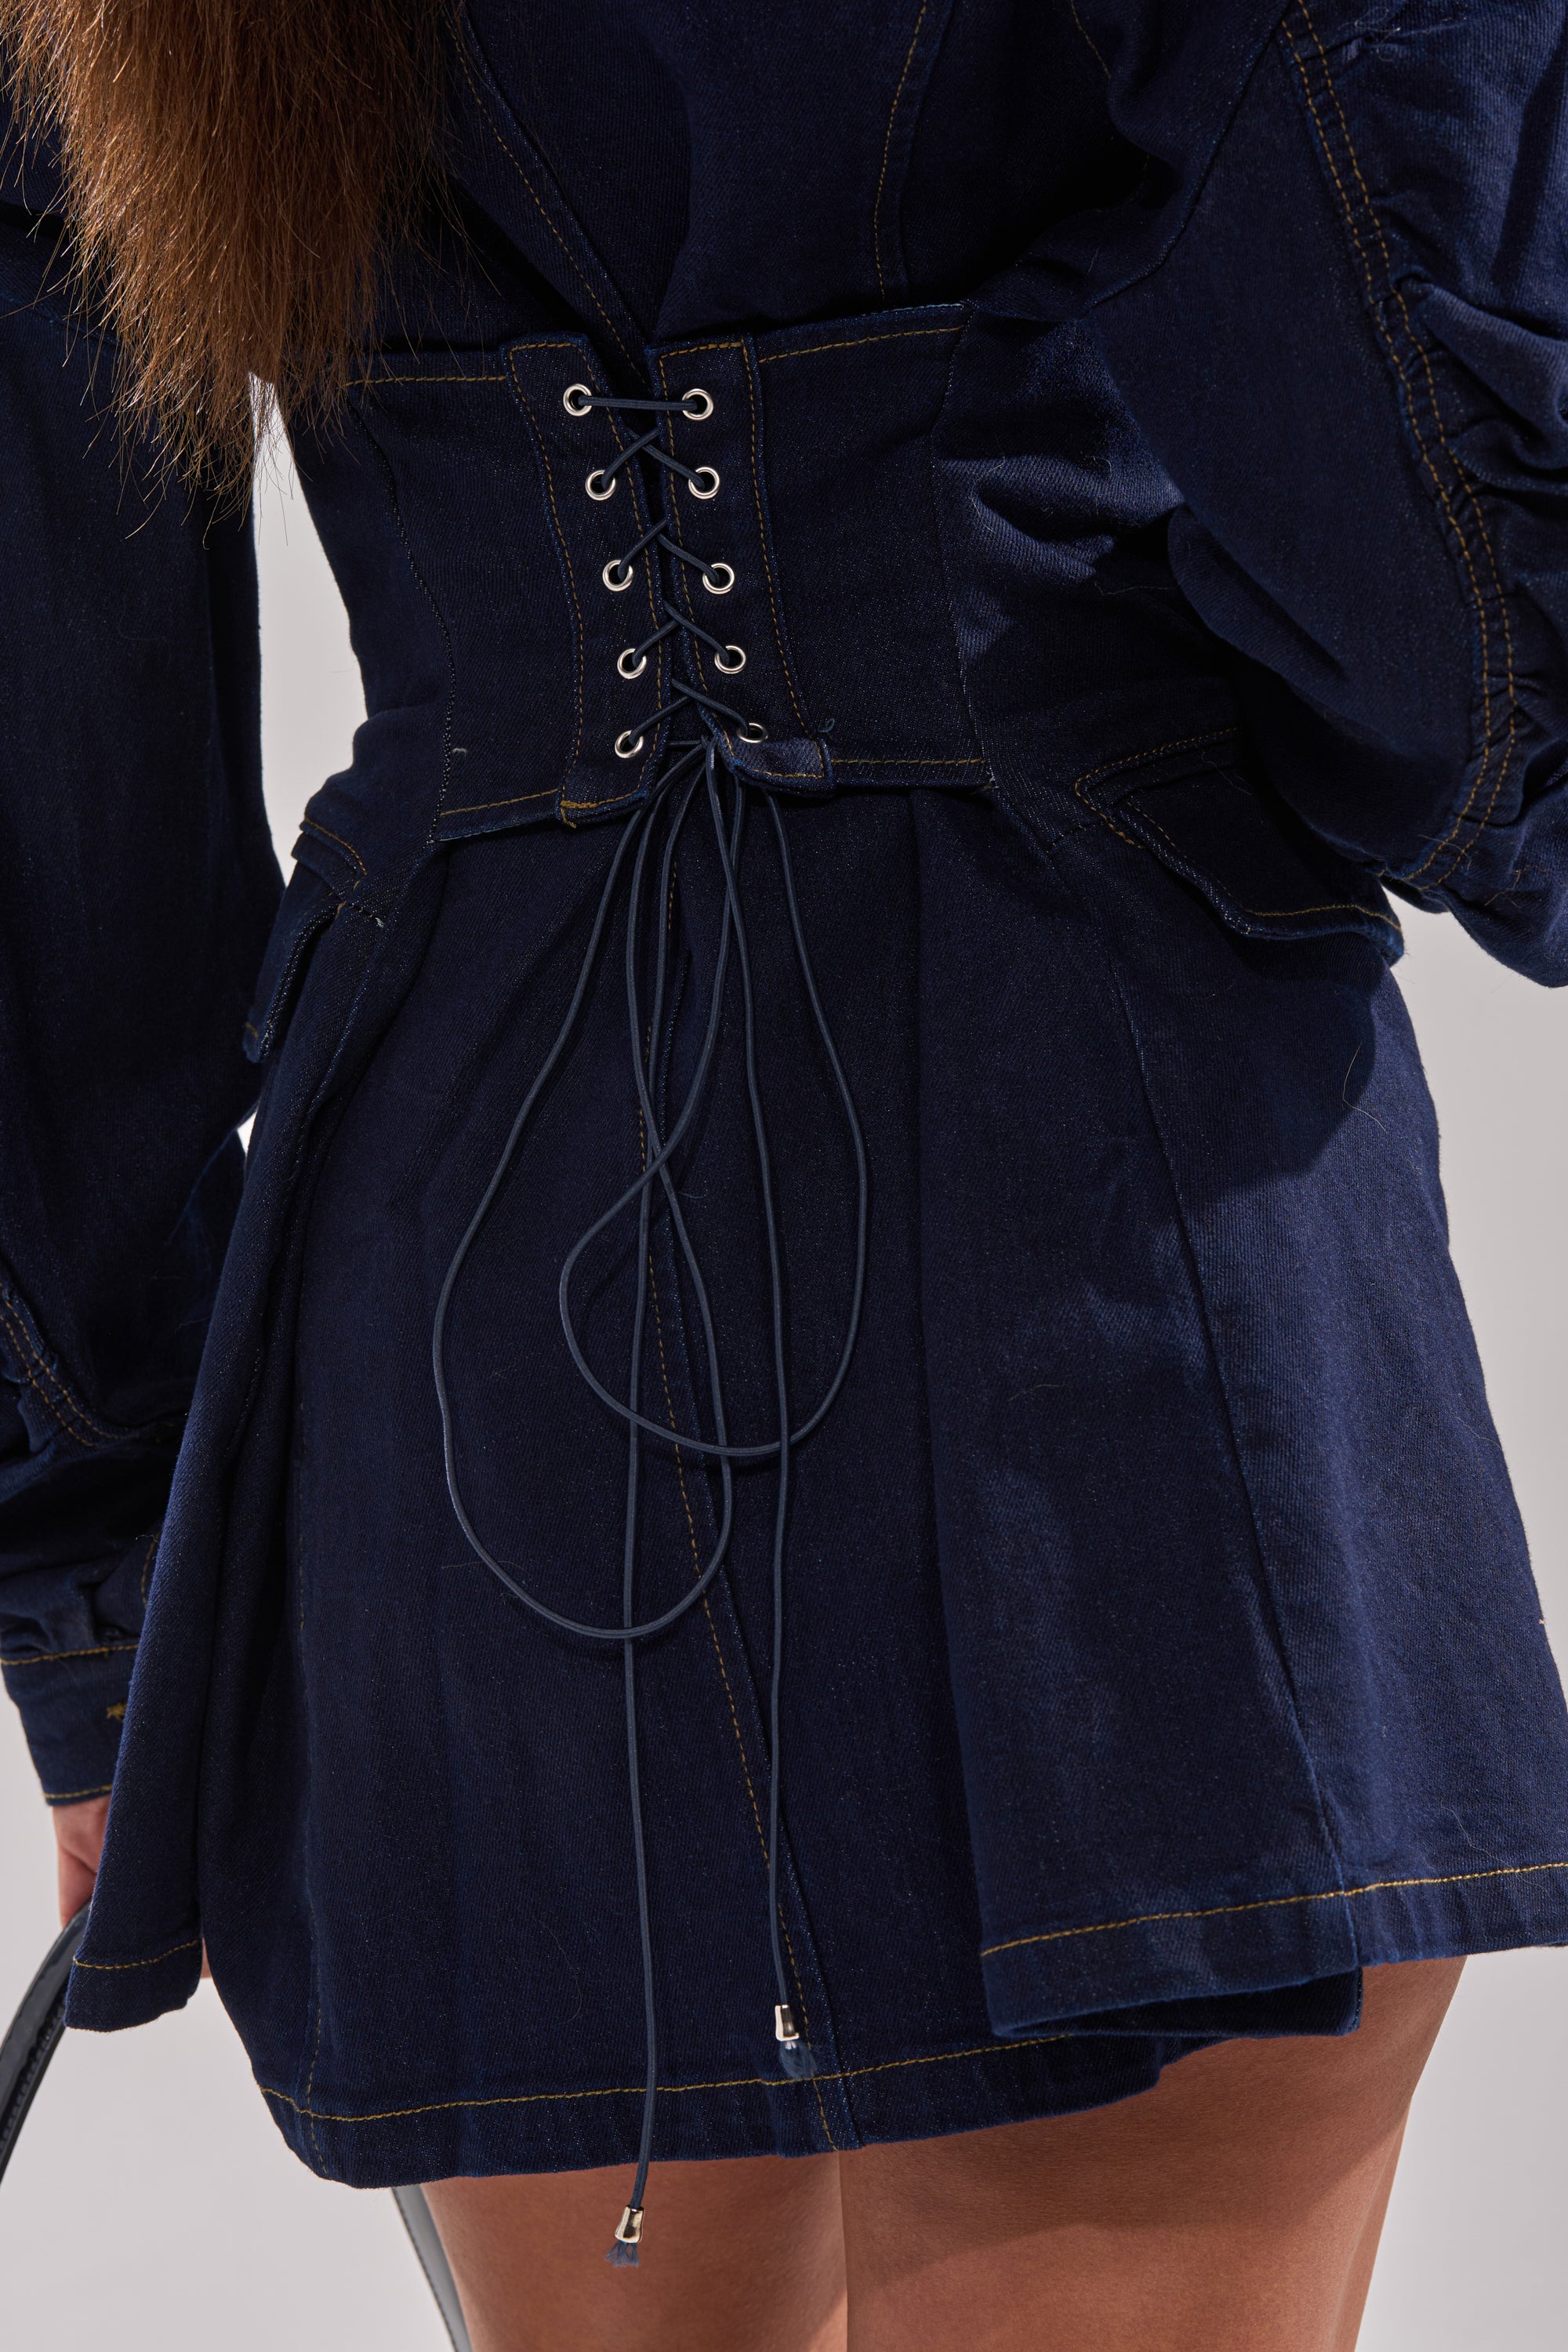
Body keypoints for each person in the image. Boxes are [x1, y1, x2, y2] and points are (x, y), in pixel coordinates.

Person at [2, 4, 1567, 2346]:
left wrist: (105, 1606)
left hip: (464, 1303)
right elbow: (1413, 517)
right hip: (1112, 1218)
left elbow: (45, 779)